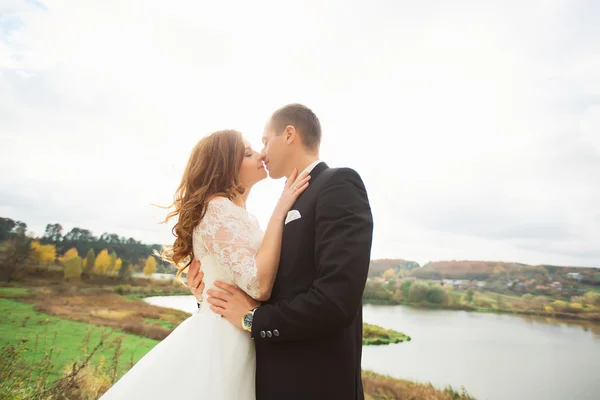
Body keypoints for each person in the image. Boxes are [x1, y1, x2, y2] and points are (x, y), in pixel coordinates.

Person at [100, 129, 310, 400]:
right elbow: (258, 286)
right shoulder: (219, 210)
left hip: (236, 336)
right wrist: (281, 208)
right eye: (247, 153)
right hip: (223, 342)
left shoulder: (234, 213)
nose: (261, 155)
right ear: (225, 168)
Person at [188, 103, 374, 399]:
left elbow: (336, 299)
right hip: (269, 380)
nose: (261, 153)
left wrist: (253, 320)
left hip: (317, 384)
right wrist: (208, 296)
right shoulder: (288, 200)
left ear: (289, 134)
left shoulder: (338, 184)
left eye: (264, 141)